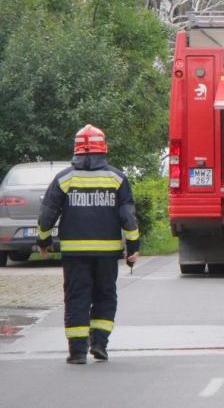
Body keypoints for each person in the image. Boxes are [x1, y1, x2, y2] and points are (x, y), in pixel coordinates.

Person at [37, 124, 140, 364]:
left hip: (74, 253)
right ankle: (100, 343)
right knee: (105, 295)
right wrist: (133, 247)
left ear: (76, 150)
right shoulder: (117, 178)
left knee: (77, 298)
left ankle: (77, 352)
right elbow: (128, 217)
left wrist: (43, 240)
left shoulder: (64, 178)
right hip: (107, 253)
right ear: (103, 149)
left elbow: (47, 215)